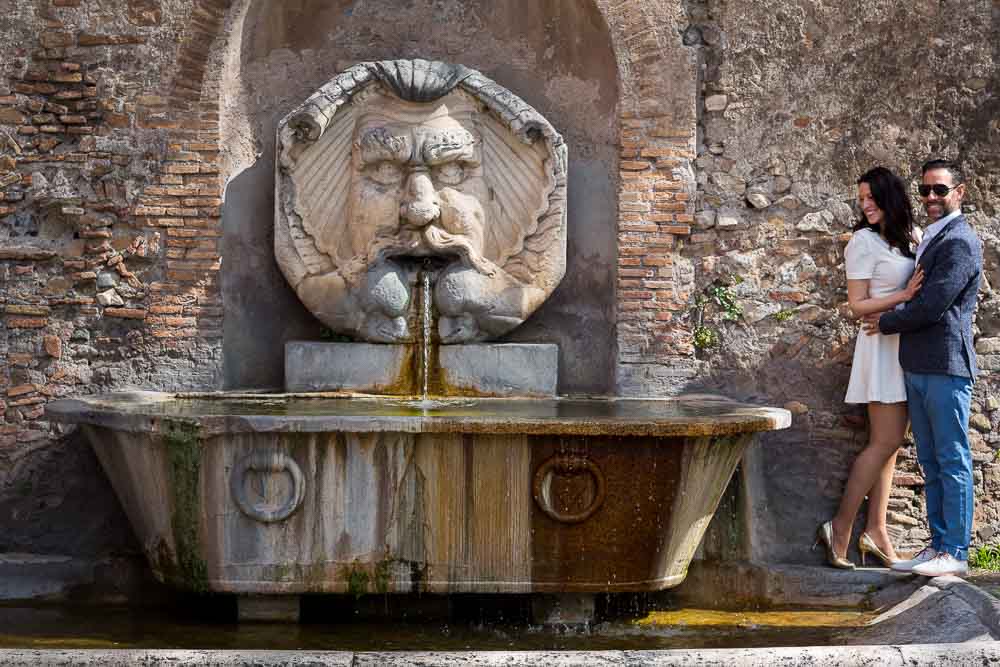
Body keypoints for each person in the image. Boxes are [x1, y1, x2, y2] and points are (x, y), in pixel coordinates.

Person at [862, 159, 982, 577]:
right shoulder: (934, 236)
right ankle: (937, 547)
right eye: (926, 190)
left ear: (959, 192)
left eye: (940, 190)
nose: (931, 198)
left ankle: (956, 551)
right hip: (917, 364)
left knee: (952, 459)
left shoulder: (961, 241)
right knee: (930, 461)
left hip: (946, 365)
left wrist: (887, 321)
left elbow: (933, 305)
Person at [816, 167, 923, 569]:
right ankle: (840, 528)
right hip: (880, 347)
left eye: (871, 197)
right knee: (884, 441)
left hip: (905, 345)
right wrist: (904, 294)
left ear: (889, 196)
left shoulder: (912, 237)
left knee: (892, 444)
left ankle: (876, 530)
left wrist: (911, 299)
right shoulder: (862, 241)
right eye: (861, 199)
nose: (865, 205)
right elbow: (857, 305)